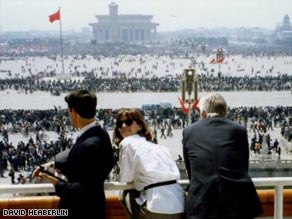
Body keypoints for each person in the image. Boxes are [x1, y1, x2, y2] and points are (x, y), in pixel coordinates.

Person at [33, 89, 114, 218]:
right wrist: (54, 164)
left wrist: (56, 183)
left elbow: (87, 189)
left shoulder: (90, 145)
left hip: (81, 211)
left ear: (73, 112)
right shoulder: (100, 134)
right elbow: (85, 165)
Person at [182, 93, 262, 219]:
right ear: (225, 112)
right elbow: (243, 166)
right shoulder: (239, 130)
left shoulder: (189, 131)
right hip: (237, 202)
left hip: (202, 203)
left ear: (203, 114)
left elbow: (191, 170)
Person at [113, 108, 185, 219]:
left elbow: (126, 179)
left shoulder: (126, 143)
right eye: (119, 123)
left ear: (139, 126)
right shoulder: (161, 147)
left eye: (128, 122)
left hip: (155, 206)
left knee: (124, 193)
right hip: (179, 203)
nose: (123, 126)